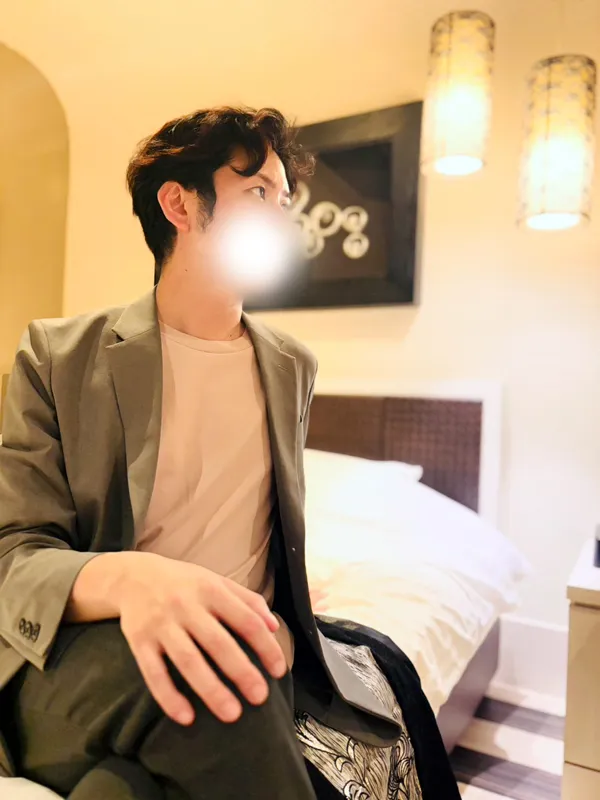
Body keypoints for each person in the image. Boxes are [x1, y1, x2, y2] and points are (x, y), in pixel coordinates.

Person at [0, 107, 457, 800]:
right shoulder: (59, 355)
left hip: (240, 641)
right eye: (257, 193)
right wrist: (136, 579)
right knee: (227, 677)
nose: (282, 218)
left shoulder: (291, 366)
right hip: (85, 653)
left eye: (285, 200)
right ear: (180, 205)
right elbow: (14, 556)